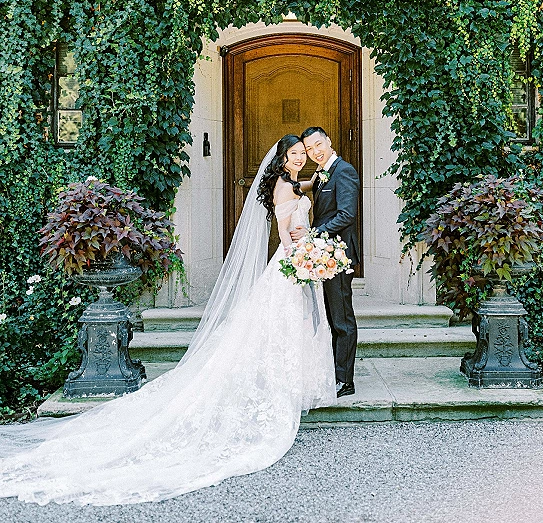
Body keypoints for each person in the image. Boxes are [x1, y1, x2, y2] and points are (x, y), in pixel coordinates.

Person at [0, 136, 335, 506]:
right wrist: (303, 257)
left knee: (281, 326)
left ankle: (289, 378)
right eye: (295, 154)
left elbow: (299, 193)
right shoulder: (283, 185)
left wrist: (315, 182)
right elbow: (287, 230)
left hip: (295, 260)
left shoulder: (290, 181)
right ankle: (280, 382)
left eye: (304, 153)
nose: (301, 158)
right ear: (283, 158)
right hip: (291, 261)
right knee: (278, 326)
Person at [291, 127, 360, 398]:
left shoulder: (344, 171)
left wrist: (312, 235)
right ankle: (334, 372)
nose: (315, 151)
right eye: (309, 149)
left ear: (329, 141)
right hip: (325, 255)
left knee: (342, 318)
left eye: (318, 144)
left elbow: (346, 215)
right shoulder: (322, 173)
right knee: (331, 316)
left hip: (339, 255)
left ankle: (345, 380)